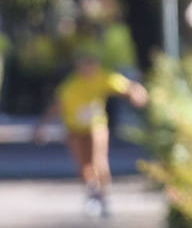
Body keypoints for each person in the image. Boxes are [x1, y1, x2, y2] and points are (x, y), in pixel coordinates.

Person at [36, 52, 148, 217]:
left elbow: (128, 87)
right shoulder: (71, 86)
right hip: (75, 128)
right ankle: (92, 192)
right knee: (83, 165)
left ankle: (104, 193)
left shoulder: (103, 77)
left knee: (99, 160)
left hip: (96, 126)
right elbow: (57, 106)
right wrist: (43, 126)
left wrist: (138, 94)